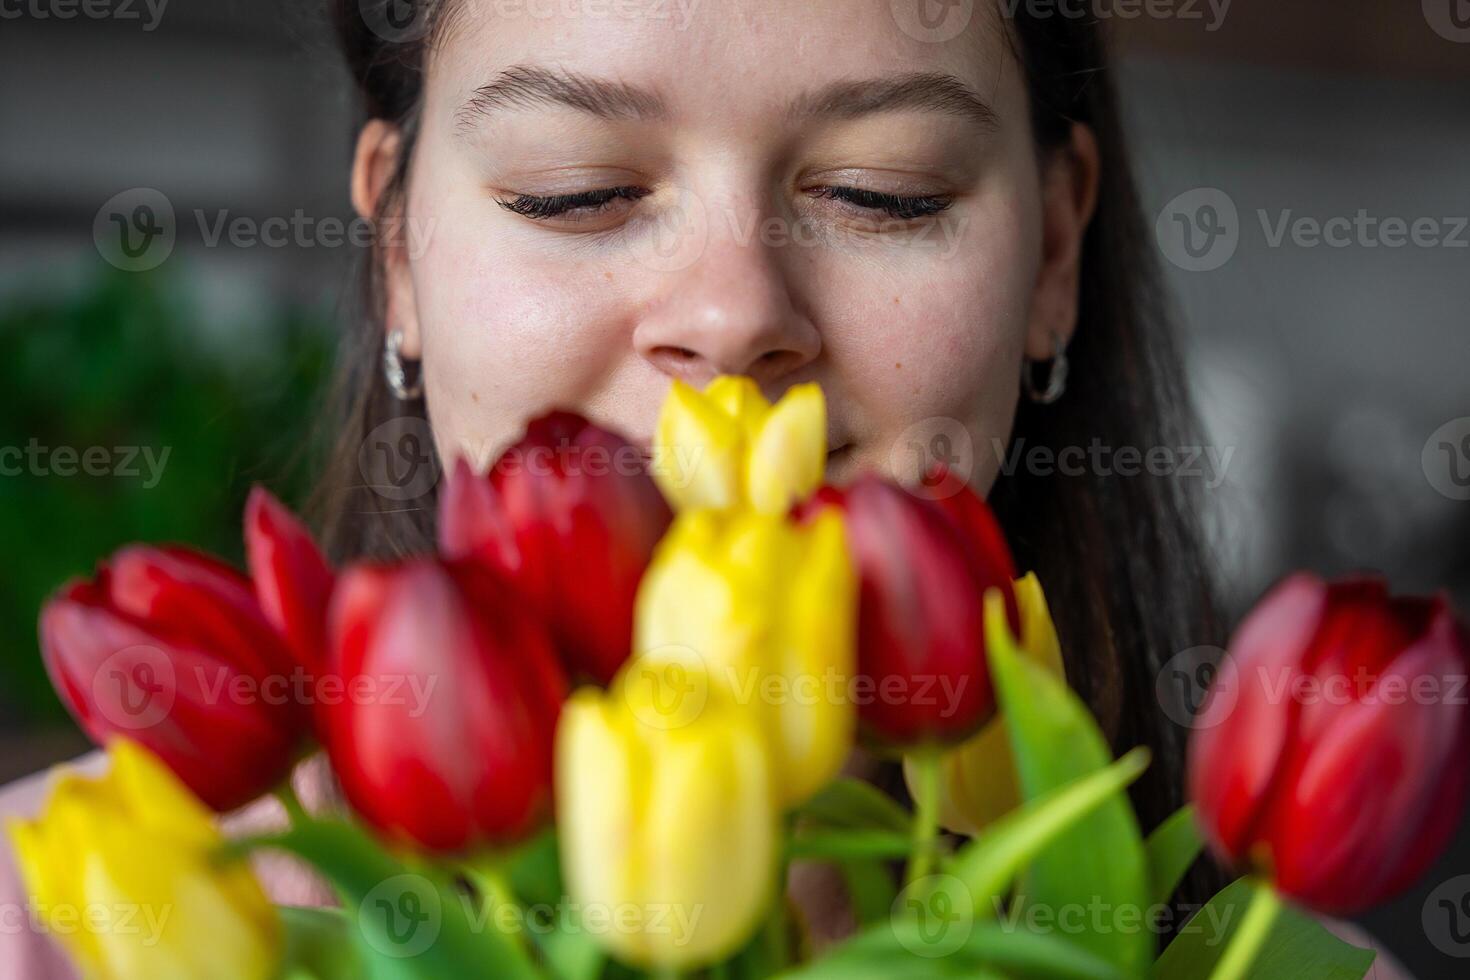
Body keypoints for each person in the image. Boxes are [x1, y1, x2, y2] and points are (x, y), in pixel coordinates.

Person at [0, 1, 1410, 975]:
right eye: (573, 190)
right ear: (398, 255)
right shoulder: (52, 921)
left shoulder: (1259, 972)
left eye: (882, 191)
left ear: (1051, 254)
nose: (733, 318)